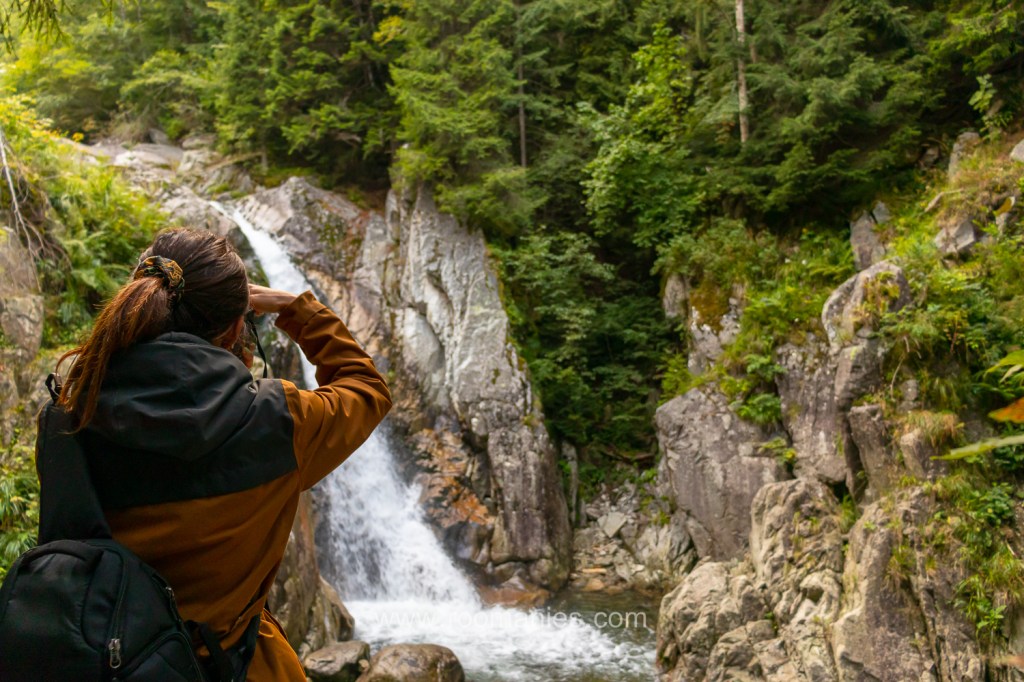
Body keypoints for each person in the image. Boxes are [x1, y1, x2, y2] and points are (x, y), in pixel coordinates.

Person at [53, 227, 392, 680]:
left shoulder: (69, 414)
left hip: (99, 659)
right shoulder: (278, 420)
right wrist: (297, 309)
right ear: (235, 328)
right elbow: (367, 387)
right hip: (228, 664)